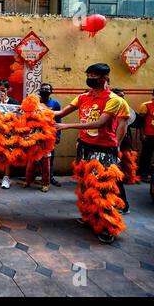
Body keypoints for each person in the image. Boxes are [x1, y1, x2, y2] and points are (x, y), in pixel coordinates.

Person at [54, 63, 126, 244]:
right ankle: (90, 218)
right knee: (86, 186)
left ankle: (108, 227)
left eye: (93, 75)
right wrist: (36, 111)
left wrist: (68, 125)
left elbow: (100, 124)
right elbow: (61, 112)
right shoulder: (83, 97)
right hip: (84, 147)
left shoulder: (114, 100)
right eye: (88, 74)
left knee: (103, 190)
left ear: (104, 78)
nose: (90, 78)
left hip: (104, 149)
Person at [39, 83, 62, 187]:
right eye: (43, 88)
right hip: (36, 134)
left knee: (49, 158)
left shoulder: (55, 103)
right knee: (35, 157)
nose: (45, 90)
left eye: (47, 89)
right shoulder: (35, 102)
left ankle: (50, 177)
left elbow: (58, 119)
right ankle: (33, 176)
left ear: (51, 91)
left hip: (50, 135)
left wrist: (58, 135)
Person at [138, 88, 154, 183]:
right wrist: (142, 134)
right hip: (149, 135)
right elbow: (141, 122)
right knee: (146, 156)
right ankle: (143, 174)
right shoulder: (146, 105)